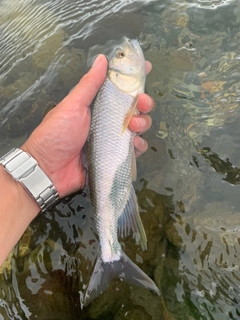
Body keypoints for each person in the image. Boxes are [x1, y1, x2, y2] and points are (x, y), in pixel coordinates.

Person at [0, 54, 154, 266]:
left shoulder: (115, 90)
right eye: (121, 54)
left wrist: (37, 165)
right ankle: (111, 253)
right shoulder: (114, 88)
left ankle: (110, 252)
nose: (126, 54)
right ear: (115, 73)